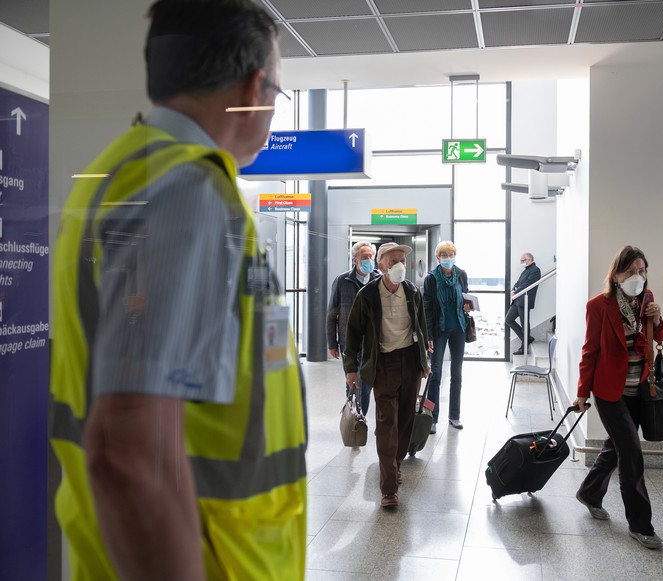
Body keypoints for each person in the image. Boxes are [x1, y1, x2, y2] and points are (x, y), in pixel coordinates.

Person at [49, 1, 308, 579]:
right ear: (254, 86)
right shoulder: (188, 194)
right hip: (213, 558)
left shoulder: (118, 173)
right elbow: (128, 449)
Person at [573, 245, 663, 550]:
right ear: (616, 275)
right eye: (630, 271)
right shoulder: (599, 307)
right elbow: (590, 352)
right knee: (631, 453)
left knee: (615, 447)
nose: (638, 277)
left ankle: (589, 492)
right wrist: (581, 393)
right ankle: (641, 525)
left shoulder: (647, 302)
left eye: (642, 271)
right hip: (609, 393)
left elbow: (659, 337)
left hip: (640, 390)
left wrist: (659, 318)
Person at [343, 242, 429, 508]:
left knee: (405, 421)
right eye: (393, 260)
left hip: (410, 362)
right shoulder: (367, 295)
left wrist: (424, 360)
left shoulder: (412, 292)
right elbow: (353, 333)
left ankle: (396, 463)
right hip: (383, 364)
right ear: (381, 265)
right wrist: (350, 369)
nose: (399, 265)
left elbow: (421, 326)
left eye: (402, 260)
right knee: (386, 423)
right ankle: (388, 488)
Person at [422, 241, 471, 431]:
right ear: (438, 257)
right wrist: (429, 334)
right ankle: (431, 418)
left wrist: (468, 305)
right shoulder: (431, 279)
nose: (448, 258)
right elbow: (427, 307)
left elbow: (466, 296)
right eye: (444, 255)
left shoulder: (461, 274)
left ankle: (454, 416)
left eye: (451, 255)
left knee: (457, 374)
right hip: (439, 330)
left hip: (458, 327)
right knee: (435, 374)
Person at [327, 240, 379, 415]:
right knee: (352, 378)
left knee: (366, 382)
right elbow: (332, 313)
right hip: (348, 340)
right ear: (355, 259)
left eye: (372, 256)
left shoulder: (378, 279)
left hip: (372, 340)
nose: (369, 260)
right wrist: (331, 343)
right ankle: (353, 417)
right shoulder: (342, 281)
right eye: (365, 257)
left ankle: (360, 417)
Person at [505, 251, 542, 354]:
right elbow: (518, 283)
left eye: (523, 260)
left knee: (524, 323)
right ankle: (527, 339)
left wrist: (516, 291)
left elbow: (528, 284)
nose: (521, 262)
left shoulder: (535, 270)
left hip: (525, 300)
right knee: (508, 319)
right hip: (517, 300)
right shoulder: (525, 271)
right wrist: (513, 290)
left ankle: (524, 347)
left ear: (529, 260)